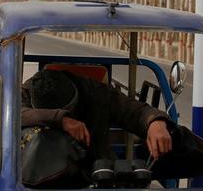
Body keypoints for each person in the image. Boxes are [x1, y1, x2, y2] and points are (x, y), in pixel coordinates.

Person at [21, 69, 173, 163]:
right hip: (40, 167)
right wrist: (61, 119)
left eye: (70, 111)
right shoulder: (31, 89)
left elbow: (133, 110)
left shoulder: (96, 92)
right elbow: (12, 114)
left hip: (94, 166)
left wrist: (155, 122)